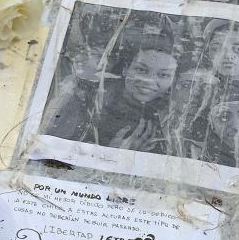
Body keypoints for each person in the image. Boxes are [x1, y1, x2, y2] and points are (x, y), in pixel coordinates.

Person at [47, 34, 180, 154]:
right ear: (125, 69)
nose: (149, 81)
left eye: (163, 75)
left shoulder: (171, 118)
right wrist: (113, 154)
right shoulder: (84, 100)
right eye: (141, 70)